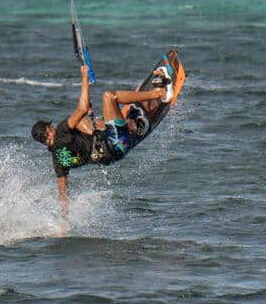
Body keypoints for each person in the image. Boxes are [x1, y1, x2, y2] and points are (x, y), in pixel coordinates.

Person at [31, 63, 172, 234]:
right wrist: (84, 77)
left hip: (115, 154)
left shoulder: (57, 161)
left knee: (86, 120)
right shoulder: (60, 132)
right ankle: (159, 93)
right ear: (48, 131)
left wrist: (64, 224)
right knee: (109, 97)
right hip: (115, 141)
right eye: (50, 126)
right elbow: (81, 109)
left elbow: (63, 195)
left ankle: (132, 125)